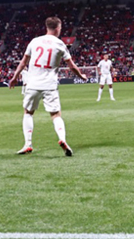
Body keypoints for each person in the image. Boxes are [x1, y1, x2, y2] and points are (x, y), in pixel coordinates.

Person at [9, 17, 87, 156]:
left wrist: (15, 77)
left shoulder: (35, 41)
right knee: (56, 115)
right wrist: (81, 76)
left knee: (28, 113)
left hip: (33, 84)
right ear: (57, 28)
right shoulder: (60, 44)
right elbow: (71, 66)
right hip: (50, 85)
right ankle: (62, 139)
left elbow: (23, 62)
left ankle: (28, 144)